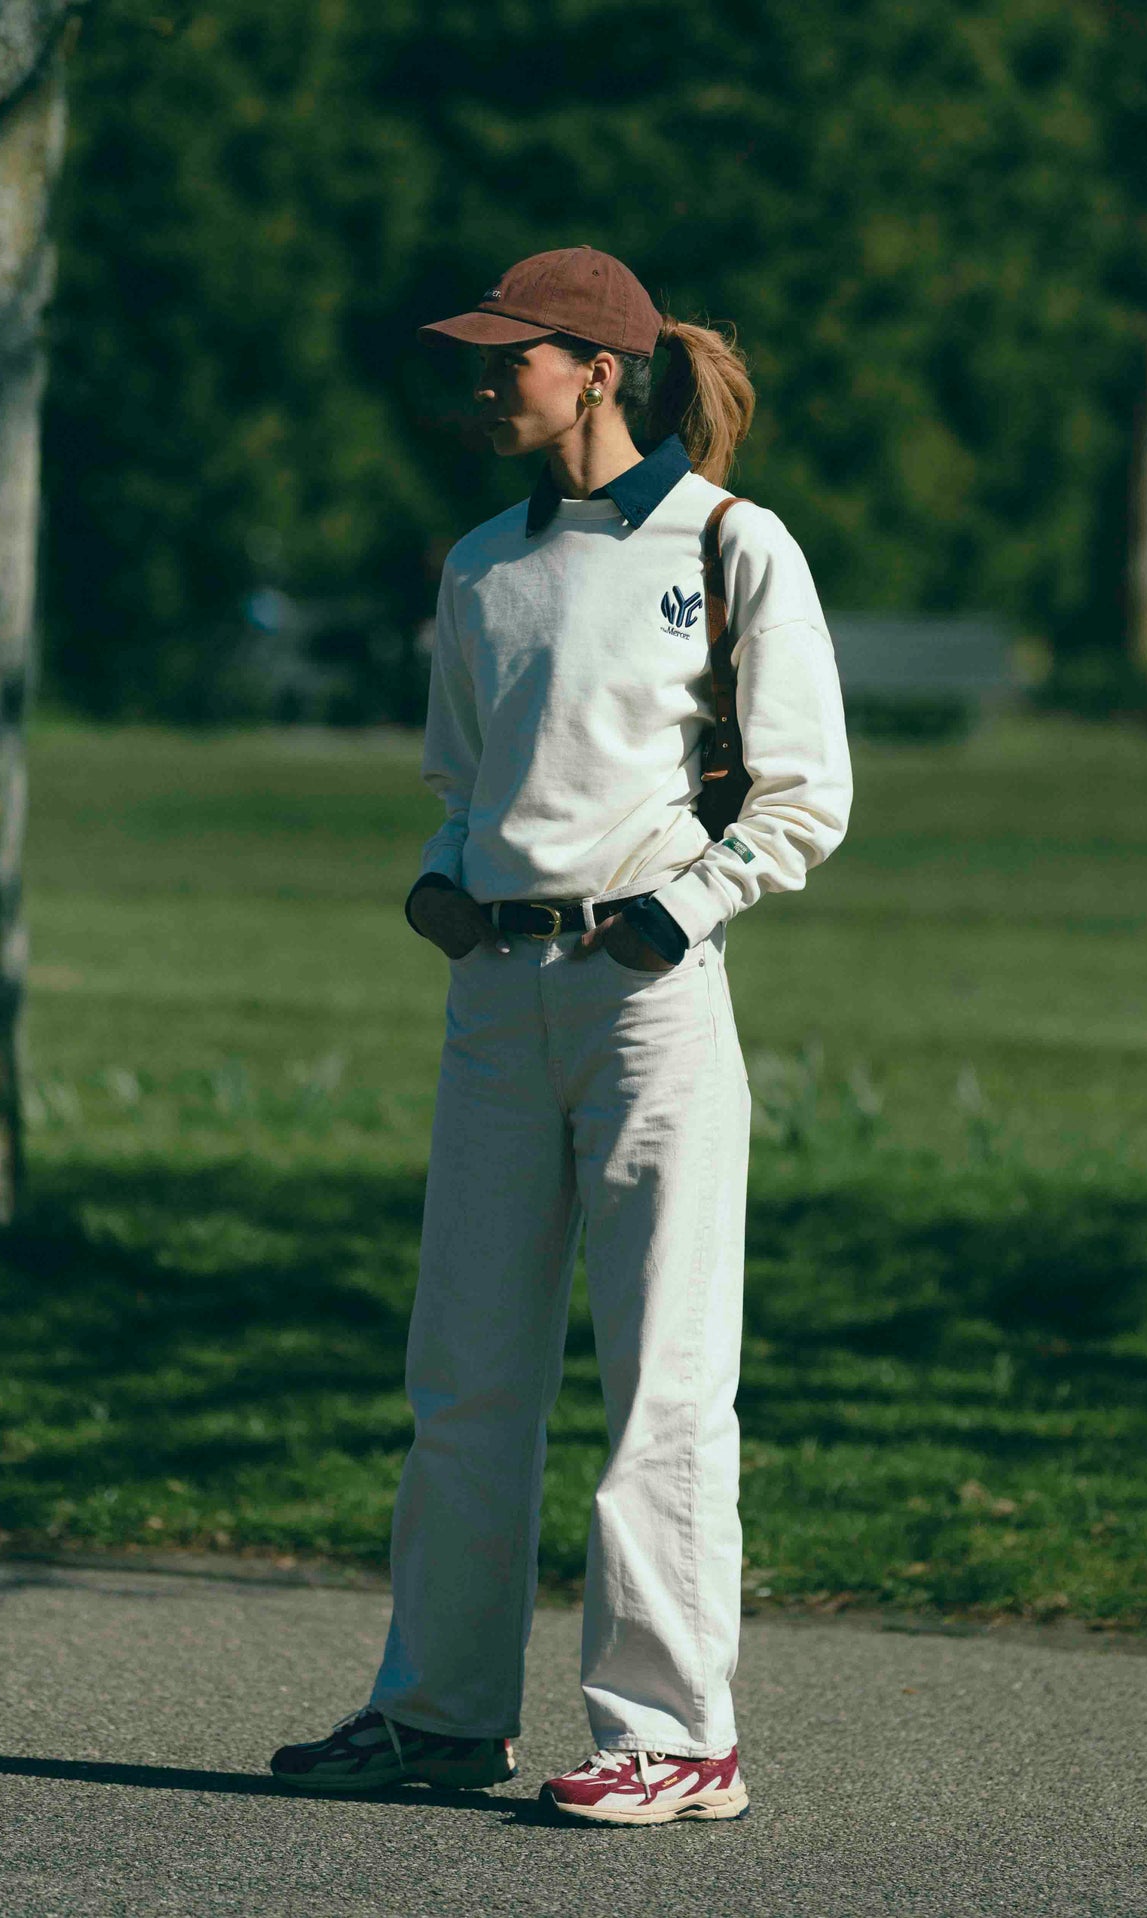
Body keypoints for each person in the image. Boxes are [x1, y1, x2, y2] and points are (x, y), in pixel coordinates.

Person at [270, 245, 852, 1826]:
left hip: (647, 996)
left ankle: (676, 1734)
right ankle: (440, 1712)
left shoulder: (729, 544)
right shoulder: (478, 566)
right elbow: (461, 780)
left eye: (505, 357)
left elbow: (805, 793)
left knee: (663, 1373)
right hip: (492, 1003)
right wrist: (440, 880)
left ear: (595, 368)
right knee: (462, 1374)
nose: (480, 381)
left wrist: (687, 905)